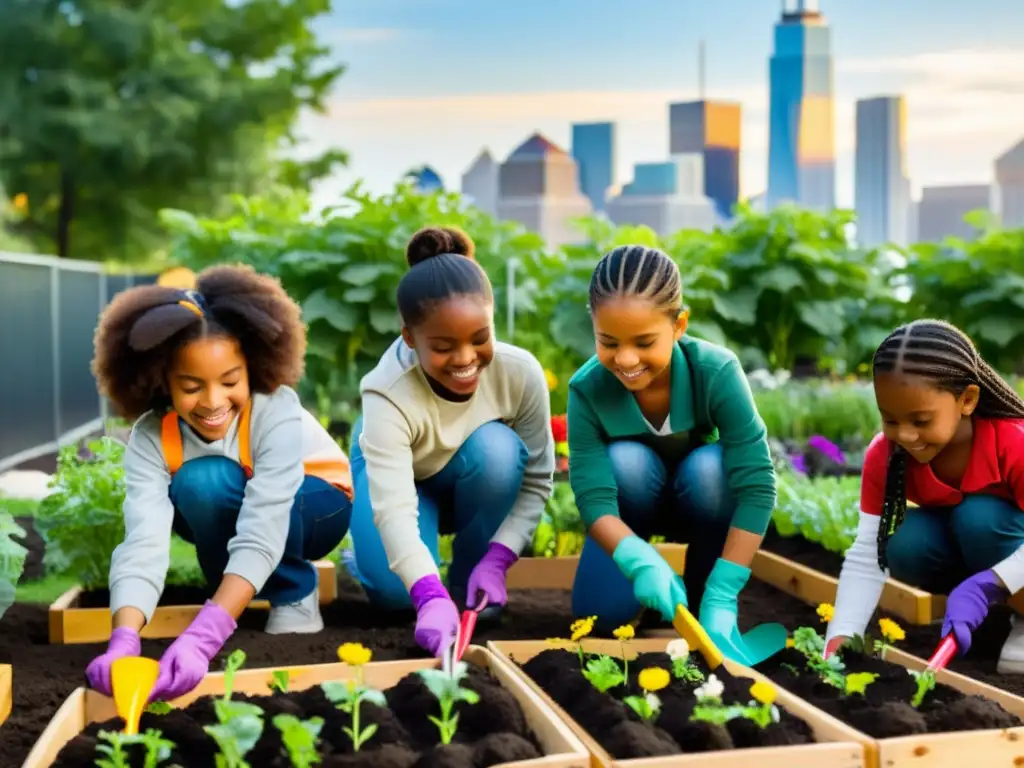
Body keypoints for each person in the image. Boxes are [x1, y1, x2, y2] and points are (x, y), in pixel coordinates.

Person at [84, 264, 354, 701]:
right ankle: (228, 597)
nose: (212, 402)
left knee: (210, 481)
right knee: (200, 484)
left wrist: (203, 638)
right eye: (191, 386)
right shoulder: (151, 436)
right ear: (162, 383)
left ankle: (294, 592)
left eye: (230, 382)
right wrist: (124, 638)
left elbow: (265, 520)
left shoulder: (275, 409)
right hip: (231, 499)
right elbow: (143, 543)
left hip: (318, 502)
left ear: (252, 370)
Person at [566, 245, 786, 665]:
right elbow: (594, 499)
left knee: (713, 470)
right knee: (598, 620)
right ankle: (648, 580)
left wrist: (726, 589)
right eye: (608, 342)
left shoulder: (716, 371)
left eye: (644, 342)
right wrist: (635, 558)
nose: (626, 359)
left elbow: (757, 486)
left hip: (699, 500)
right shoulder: (586, 388)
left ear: (679, 325)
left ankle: (705, 588)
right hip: (628, 509)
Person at [348, 226, 554, 658]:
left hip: (472, 469)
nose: (465, 358)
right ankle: (367, 564)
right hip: (401, 479)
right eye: (443, 346)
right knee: (395, 596)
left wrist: (498, 560)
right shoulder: (386, 391)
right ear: (410, 338)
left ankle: (468, 574)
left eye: (480, 339)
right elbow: (395, 509)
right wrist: (426, 594)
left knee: (500, 450)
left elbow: (537, 480)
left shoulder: (520, 373)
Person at [825, 319, 1024, 672]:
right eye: (890, 420)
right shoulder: (885, 456)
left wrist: (988, 586)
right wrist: (841, 636)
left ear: (967, 399)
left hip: (1000, 541)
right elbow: (868, 552)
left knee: (979, 519)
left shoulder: (1012, 442)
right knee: (902, 541)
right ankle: (985, 623)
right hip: (988, 557)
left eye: (920, 421)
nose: (905, 435)